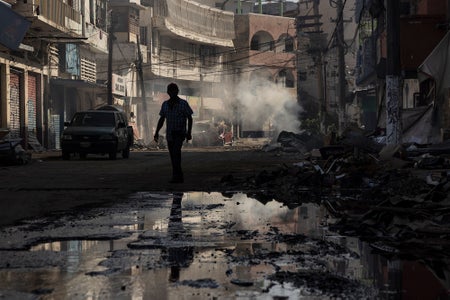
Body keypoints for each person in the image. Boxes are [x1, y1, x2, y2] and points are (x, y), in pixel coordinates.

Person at [154, 83, 193, 183]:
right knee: (173, 155)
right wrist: (156, 132)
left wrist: (189, 133)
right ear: (168, 92)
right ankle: (177, 175)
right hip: (170, 134)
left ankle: (177, 176)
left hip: (180, 133)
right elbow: (162, 119)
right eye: (170, 91)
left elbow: (190, 118)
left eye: (174, 91)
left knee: (176, 153)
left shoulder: (183, 104)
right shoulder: (165, 105)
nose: (172, 93)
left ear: (177, 92)